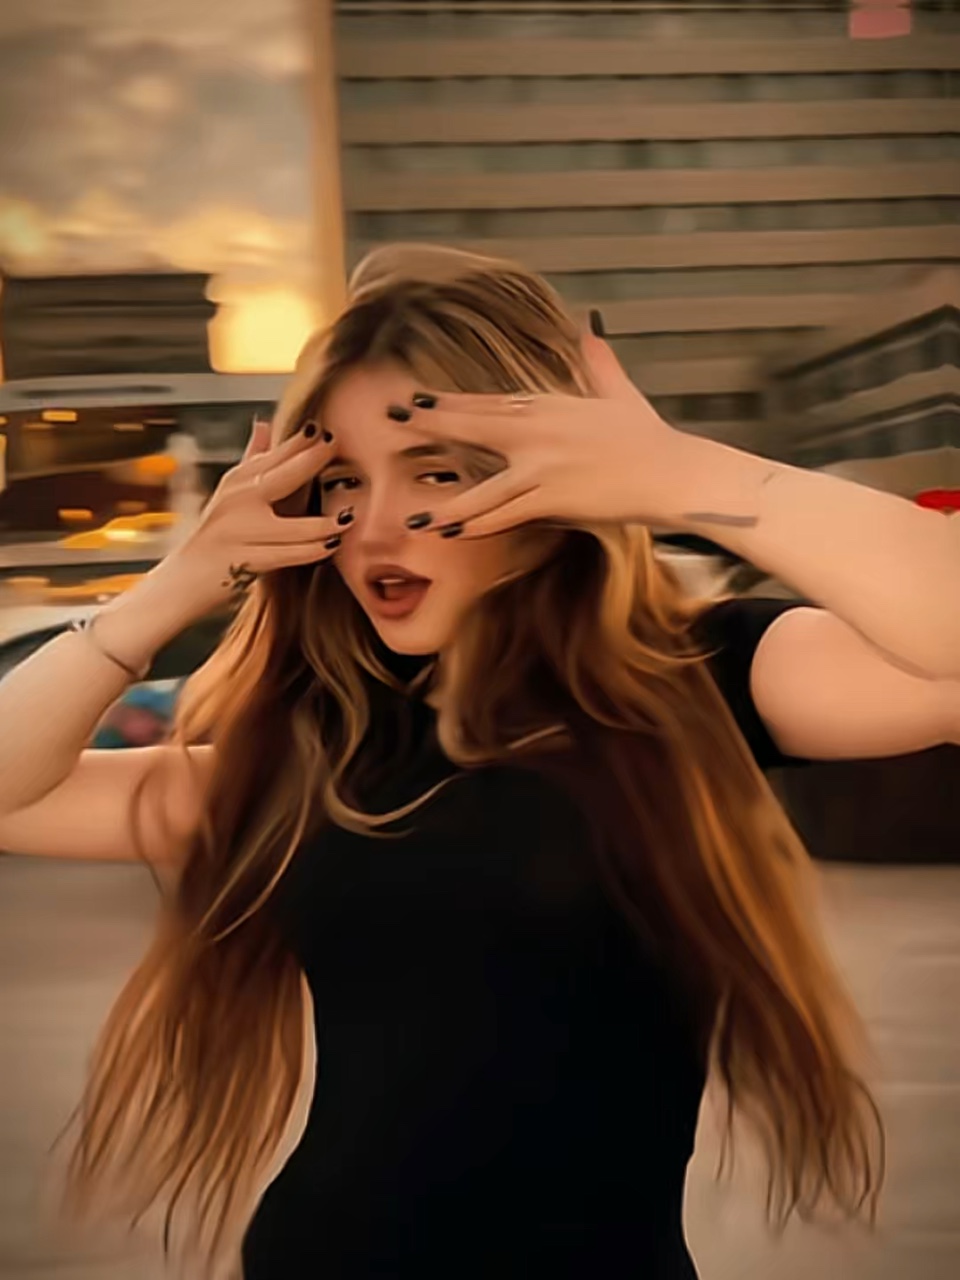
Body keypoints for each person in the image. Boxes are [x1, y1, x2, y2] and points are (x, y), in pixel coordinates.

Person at [0, 244, 956, 1280]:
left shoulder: (695, 682)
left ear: (542, 486)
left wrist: (688, 475)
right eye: (340, 482)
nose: (375, 525)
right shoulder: (314, 750)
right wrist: (170, 588)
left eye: (435, 471)